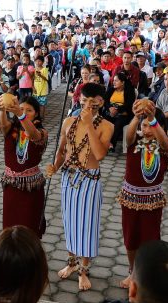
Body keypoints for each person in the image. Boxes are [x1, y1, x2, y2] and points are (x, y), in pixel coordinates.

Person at [46, 83, 114, 291]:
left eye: (92, 104)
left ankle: (84, 270)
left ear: (101, 103)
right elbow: (61, 150)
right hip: (68, 177)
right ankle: (71, 263)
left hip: (89, 180)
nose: (86, 106)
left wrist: (89, 124)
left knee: (87, 226)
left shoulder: (106, 126)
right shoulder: (68, 121)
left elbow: (100, 154)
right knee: (69, 222)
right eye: (84, 102)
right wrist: (55, 167)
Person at [117, 102, 168, 288]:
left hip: (152, 201)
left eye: (152, 125)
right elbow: (129, 135)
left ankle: (147, 273)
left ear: (162, 127)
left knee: (150, 238)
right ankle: (133, 271)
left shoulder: (165, 146)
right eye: (144, 125)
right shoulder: (134, 143)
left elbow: (164, 142)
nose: (147, 129)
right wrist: (136, 116)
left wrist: (151, 117)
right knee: (130, 238)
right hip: (130, 199)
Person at [0, 96, 48, 238]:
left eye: (29, 110)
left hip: (30, 187)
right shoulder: (11, 128)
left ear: (37, 113)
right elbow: (3, 125)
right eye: (22, 108)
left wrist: (20, 114)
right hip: (11, 185)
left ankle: (31, 257)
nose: (24, 112)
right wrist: (2, 110)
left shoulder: (42, 131)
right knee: (10, 226)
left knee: (29, 226)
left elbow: (33, 135)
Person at [102, 71, 135, 153]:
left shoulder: (129, 91)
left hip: (123, 113)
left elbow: (129, 104)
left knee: (117, 124)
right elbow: (105, 100)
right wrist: (110, 108)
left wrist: (117, 110)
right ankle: (103, 143)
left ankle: (111, 144)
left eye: (116, 80)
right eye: (114, 80)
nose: (114, 82)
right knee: (104, 122)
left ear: (122, 82)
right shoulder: (111, 89)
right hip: (110, 112)